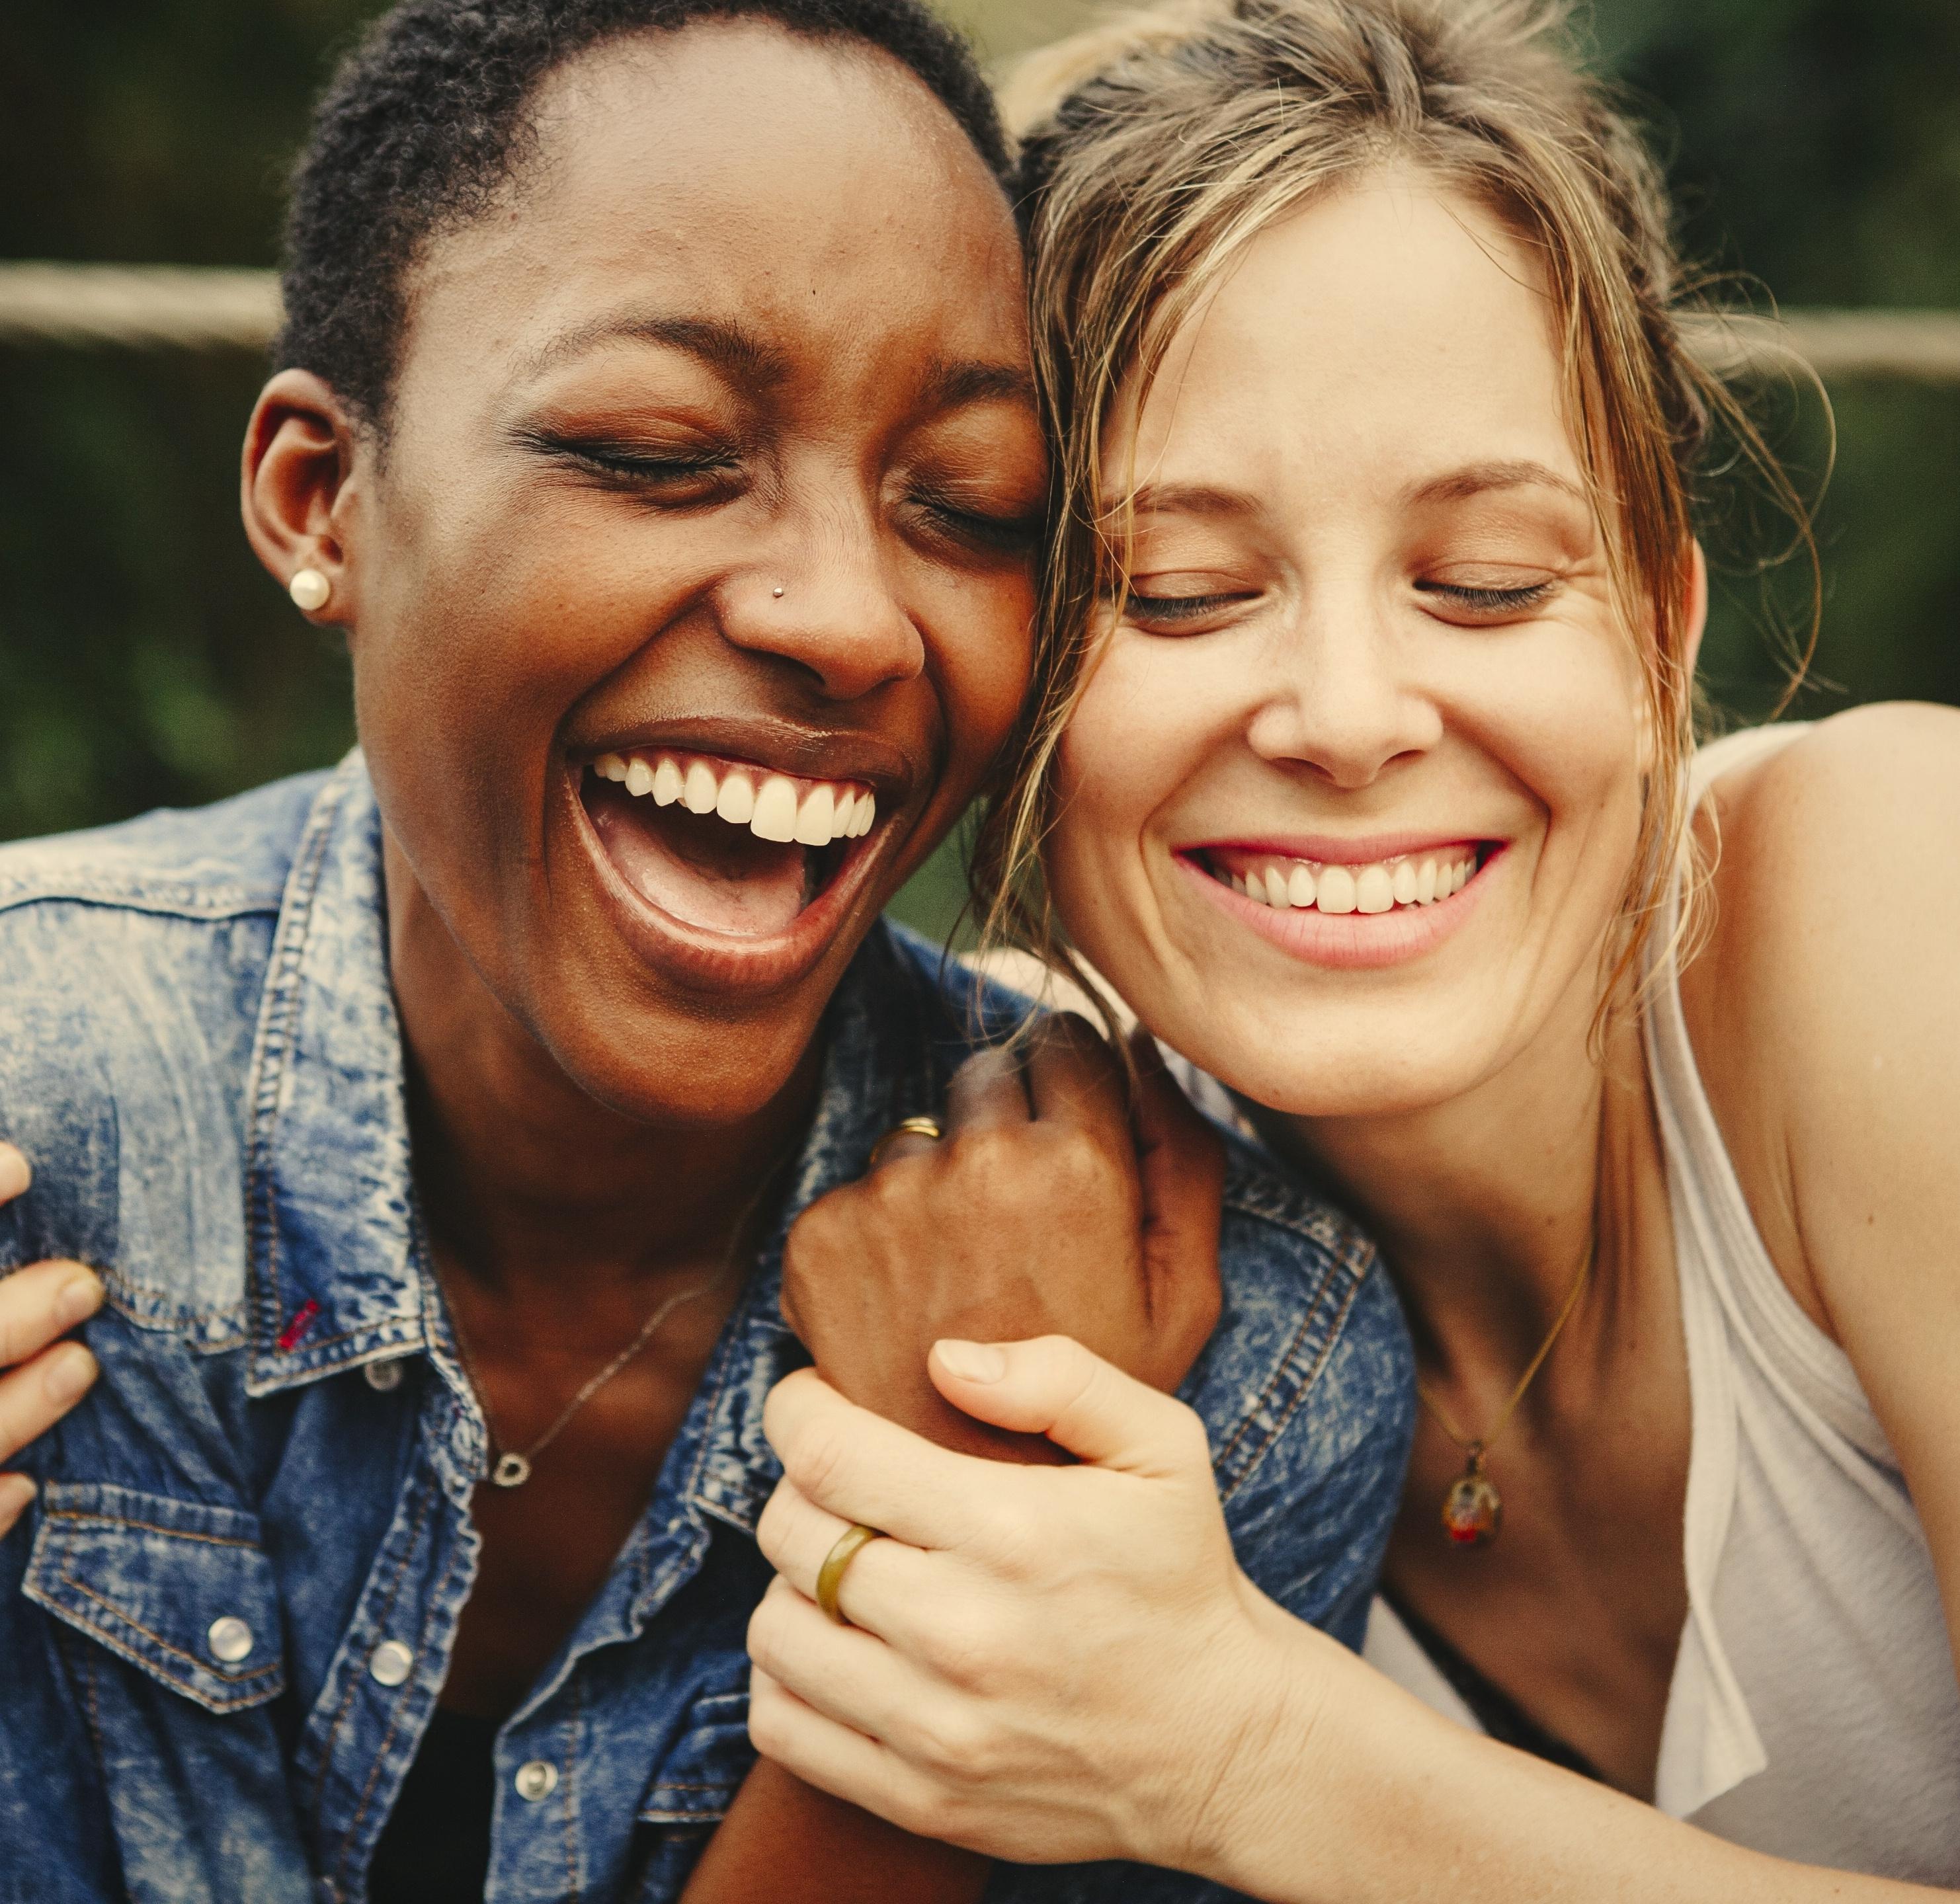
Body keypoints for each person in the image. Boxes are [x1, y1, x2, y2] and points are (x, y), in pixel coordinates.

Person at [0, 3, 1415, 1901]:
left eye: (969, 506)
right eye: (657, 452)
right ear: (318, 500)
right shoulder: (34, 1121)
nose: (845, 616)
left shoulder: (1216, 1370)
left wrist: (980, 1519)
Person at [741, 0, 1960, 1895]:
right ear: (1007, 695)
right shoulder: (1064, 1203)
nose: (1345, 712)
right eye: (1179, 592)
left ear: (1655, 633)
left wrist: (1244, 1755)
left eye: (1481, 584)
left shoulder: (1894, 896)